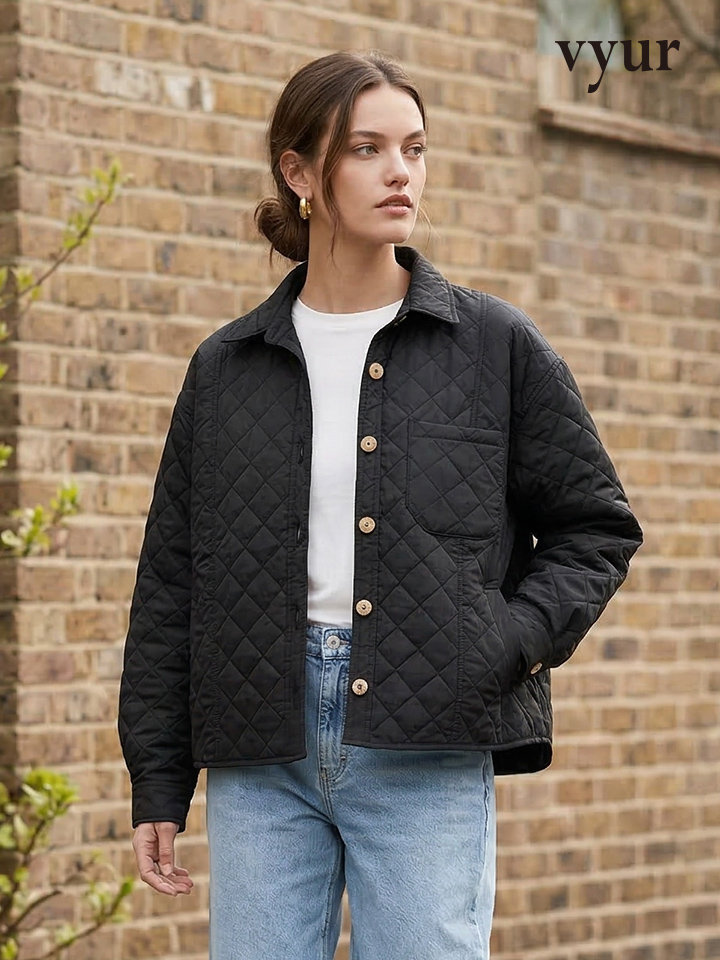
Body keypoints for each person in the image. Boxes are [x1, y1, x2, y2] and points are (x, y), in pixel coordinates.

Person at [118, 49, 643, 960]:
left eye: (414, 148)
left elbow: (596, 526)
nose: (400, 172)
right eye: (367, 149)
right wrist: (157, 777)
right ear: (299, 173)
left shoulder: (492, 345)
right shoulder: (226, 368)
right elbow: (171, 582)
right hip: (260, 748)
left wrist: (504, 641)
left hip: (426, 742)